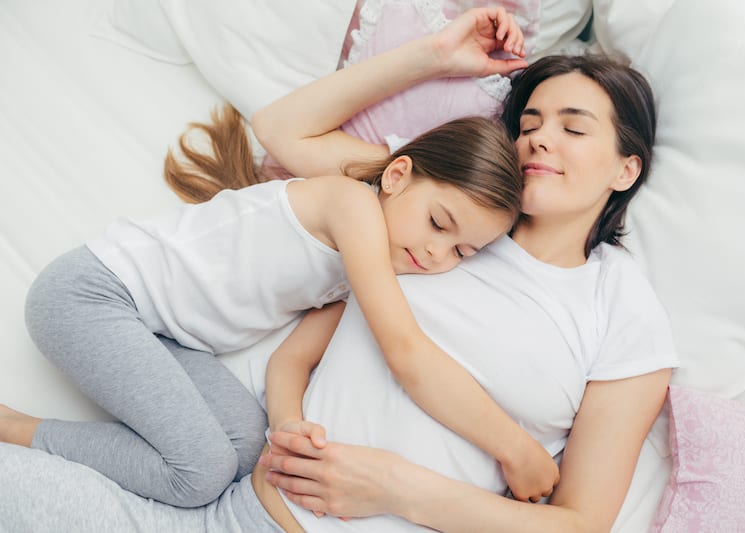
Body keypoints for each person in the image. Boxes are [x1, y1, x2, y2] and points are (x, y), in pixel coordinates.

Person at [0, 6, 677, 533]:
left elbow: (579, 523)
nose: (538, 137)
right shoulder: (430, 213)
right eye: (529, 120)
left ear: (626, 168)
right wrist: (435, 55)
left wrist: (396, 486)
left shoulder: (620, 307)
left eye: (573, 126)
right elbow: (286, 134)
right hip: (231, 513)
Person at [0, 86, 532, 510]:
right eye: (439, 223)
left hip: (162, 334)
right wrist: (514, 447)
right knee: (199, 476)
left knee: (245, 445)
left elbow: (290, 360)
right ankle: (15, 429)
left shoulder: (352, 276)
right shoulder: (351, 205)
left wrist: (289, 425)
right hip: (94, 294)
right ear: (396, 176)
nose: (438, 254)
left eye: (462, 251)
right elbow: (404, 347)